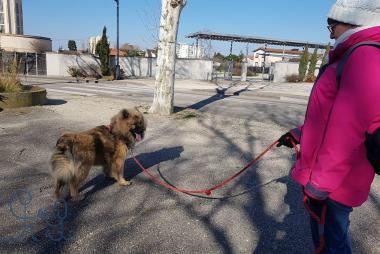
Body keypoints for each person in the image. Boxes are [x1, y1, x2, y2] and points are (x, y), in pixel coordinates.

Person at [277, 0, 380, 253]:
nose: (331, 31)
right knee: (329, 238)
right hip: (331, 176)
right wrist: (300, 134)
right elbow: (330, 117)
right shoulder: (352, 55)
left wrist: (320, 185)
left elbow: (348, 131)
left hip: (335, 182)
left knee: (332, 243)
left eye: (332, 24)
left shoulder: (364, 56)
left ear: (355, 20)